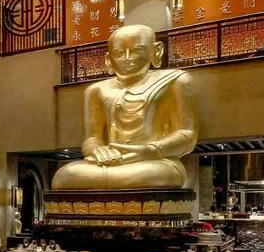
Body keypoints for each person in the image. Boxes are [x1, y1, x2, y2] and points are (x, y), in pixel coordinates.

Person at [52, 23, 197, 190]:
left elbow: (187, 134)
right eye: (119, 53)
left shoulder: (176, 80)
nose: (127, 58)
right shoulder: (96, 90)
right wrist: (97, 150)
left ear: (156, 51)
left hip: (154, 162)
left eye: (136, 50)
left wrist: (150, 150)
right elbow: (92, 138)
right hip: (110, 162)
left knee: (155, 174)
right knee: (65, 175)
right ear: (108, 59)